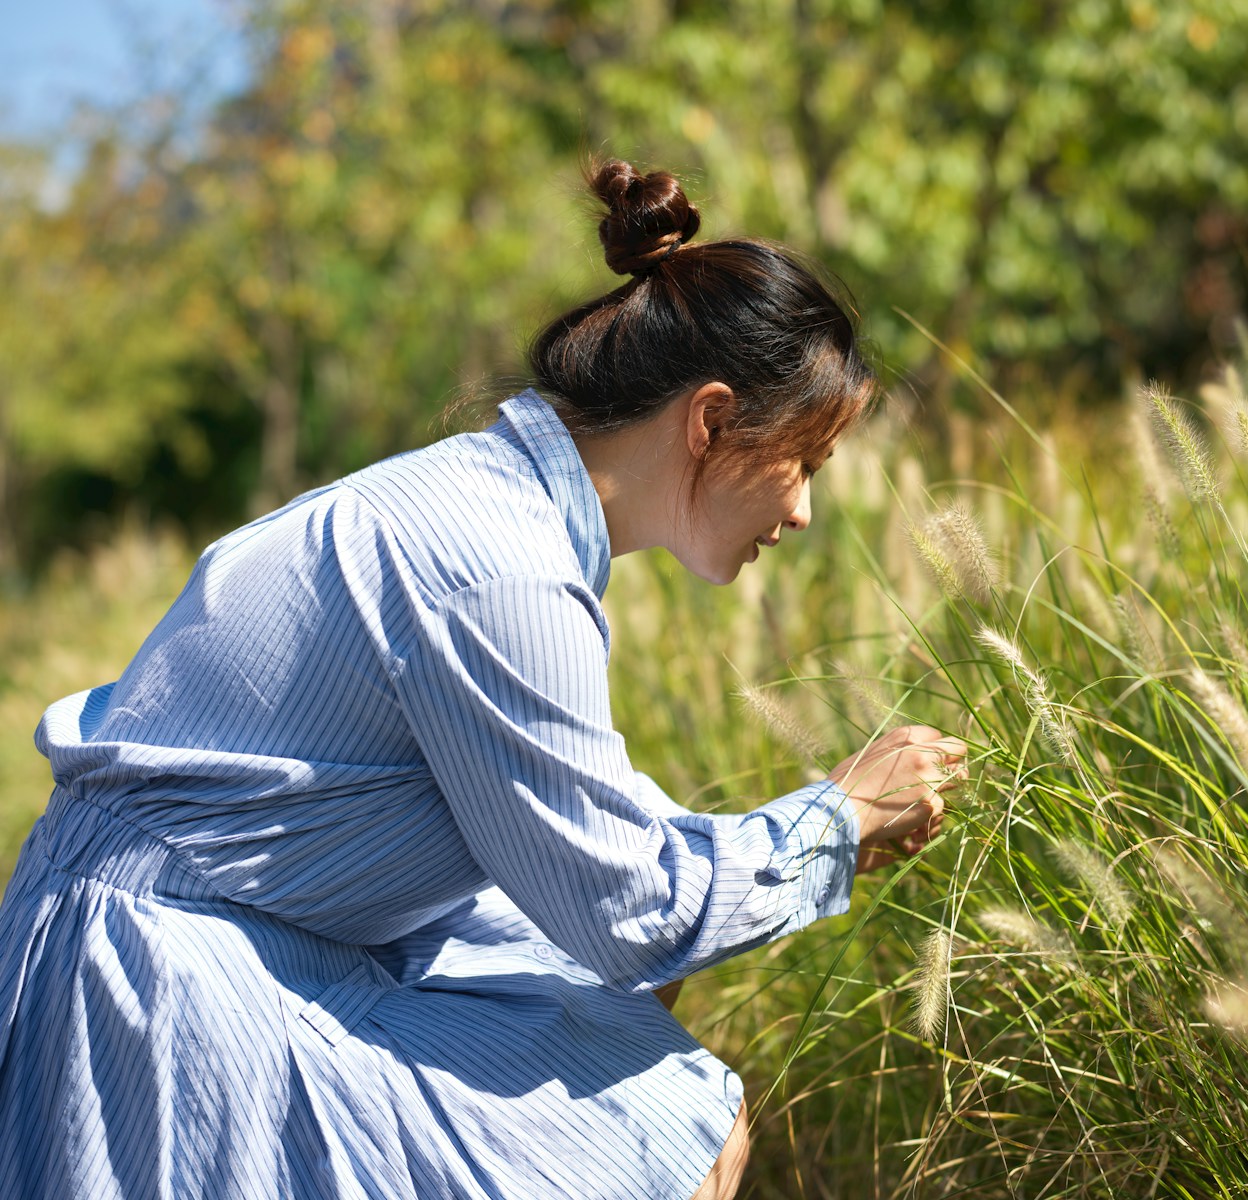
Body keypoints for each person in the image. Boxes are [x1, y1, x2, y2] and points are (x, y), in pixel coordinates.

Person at [0, 159, 966, 1200]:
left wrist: (828, 821)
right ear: (710, 420)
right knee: (674, 1133)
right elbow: (630, 906)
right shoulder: (499, 567)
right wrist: (835, 821)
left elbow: (608, 854)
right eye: (805, 463)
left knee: (627, 1034)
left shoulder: (497, 509)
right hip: (167, 981)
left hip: (244, 926)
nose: (804, 513)